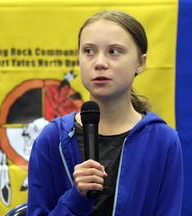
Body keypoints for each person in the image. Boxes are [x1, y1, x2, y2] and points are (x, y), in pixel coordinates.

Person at [27, 10, 183, 216]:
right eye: (89, 51)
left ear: (140, 63)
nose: (99, 62)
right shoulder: (52, 138)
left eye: (114, 51)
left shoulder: (163, 141)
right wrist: (76, 198)